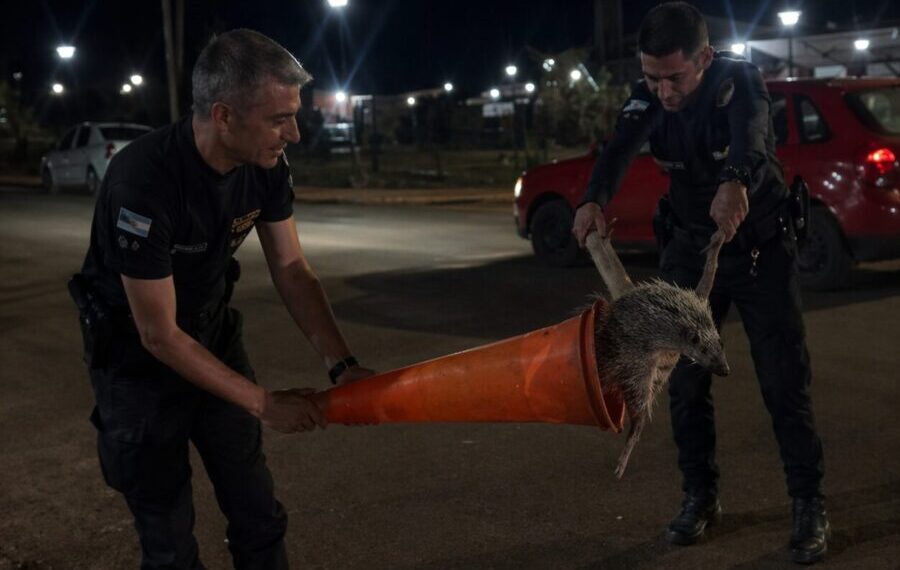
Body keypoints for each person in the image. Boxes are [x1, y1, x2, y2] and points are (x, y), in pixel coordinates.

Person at [73, 29, 373, 569]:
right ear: (224, 116)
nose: (296, 134)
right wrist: (263, 402)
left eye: (294, 115)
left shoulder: (266, 167)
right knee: (168, 538)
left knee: (256, 510)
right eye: (279, 119)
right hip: (137, 362)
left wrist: (342, 363)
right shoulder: (143, 183)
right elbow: (157, 334)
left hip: (211, 330)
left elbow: (291, 268)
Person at [572, 2, 827, 565]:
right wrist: (593, 198)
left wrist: (735, 182)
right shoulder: (649, 98)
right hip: (689, 250)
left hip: (759, 247)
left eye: (675, 77)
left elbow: (752, 140)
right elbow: (617, 148)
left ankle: (808, 502)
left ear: (704, 59)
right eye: (651, 77)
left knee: (784, 380)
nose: (663, 90)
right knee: (684, 385)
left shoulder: (740, 81)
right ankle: (700, 497)